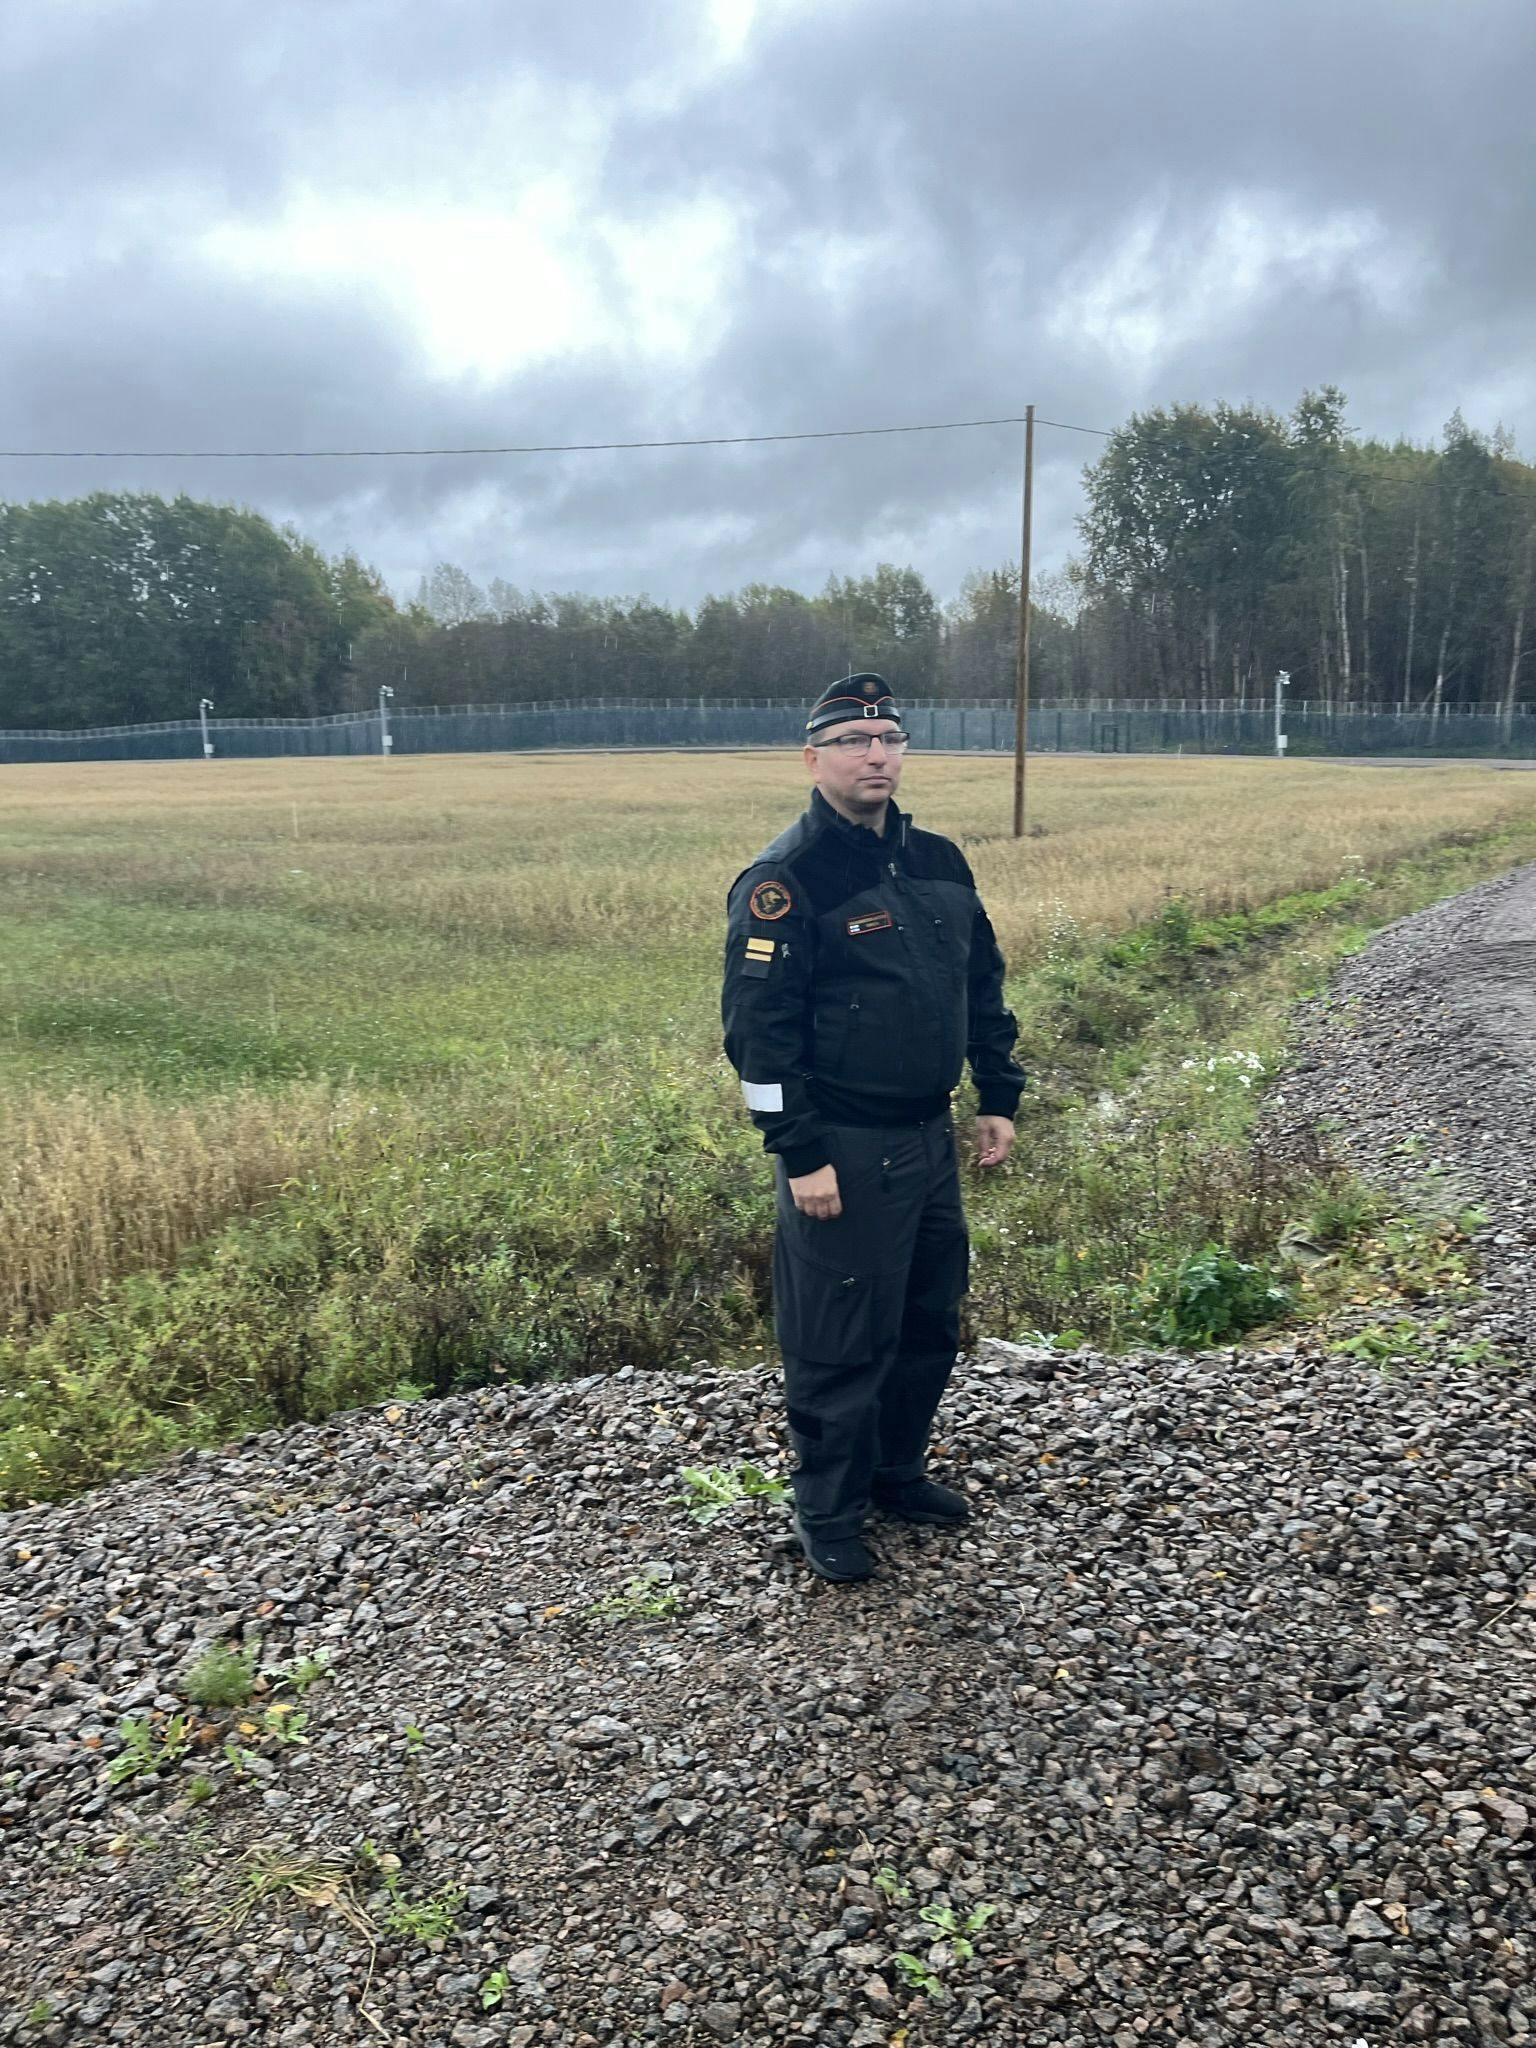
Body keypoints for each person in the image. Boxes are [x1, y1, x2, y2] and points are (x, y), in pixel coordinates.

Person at [721, 673, 1025, 1583]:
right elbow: (756, 1033)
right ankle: (828, 1509)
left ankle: (896, 1474)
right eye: (854, 740)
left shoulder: (937, 860)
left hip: (927, 1141)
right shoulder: (787, 881)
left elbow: (980, 985)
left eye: (889, 737)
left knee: (928, 1318)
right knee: (840, 1336)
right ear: (813, 758)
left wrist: (998, 1091)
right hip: (844, 1151)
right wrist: (799, 1153)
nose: (877, 755)